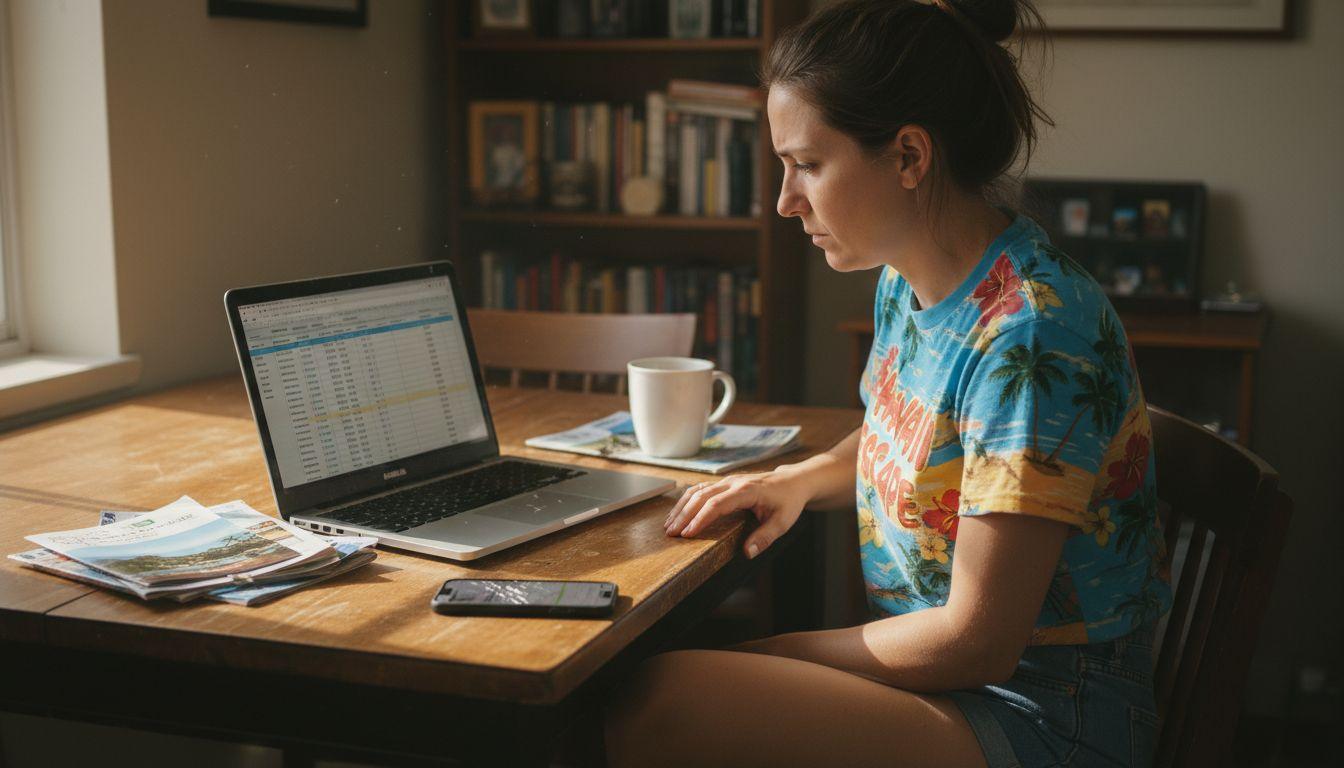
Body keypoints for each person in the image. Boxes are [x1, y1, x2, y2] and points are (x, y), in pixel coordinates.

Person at [605, 1, 1172, 766]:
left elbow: (976, 642)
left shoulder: (1033, 336)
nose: (784, 200)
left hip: (1042, 714)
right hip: (953, 688)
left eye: (806, 163)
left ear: (909, 156)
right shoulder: (909, 283)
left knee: (657, 703)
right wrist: (799, 479)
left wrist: (776, 654)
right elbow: (899, 432)